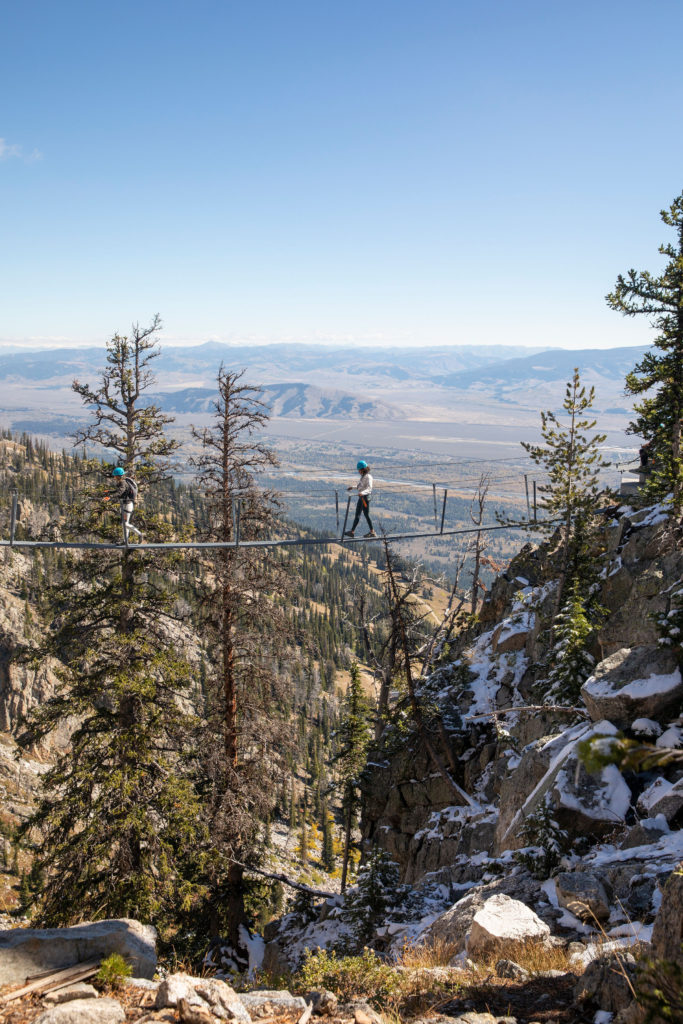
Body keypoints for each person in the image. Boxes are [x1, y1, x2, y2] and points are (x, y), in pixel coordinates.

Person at [108, 466, 142, 541]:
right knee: (125, 524)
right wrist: (109, 492)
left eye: (114, 475)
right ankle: (125, 541)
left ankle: (139, 534)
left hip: (126, 505)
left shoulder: (123, 483)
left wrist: (110, 497)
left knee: (124, 524)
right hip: (127, 505)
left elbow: (120, 492)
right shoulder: (123, 482)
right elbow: (120, 491)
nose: (114, 477)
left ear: (117, 476)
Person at [345, 460, 375, 538]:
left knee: (366, 514)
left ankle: (372, 532)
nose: (358, 471)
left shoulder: (368, 477)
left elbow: (369, 488)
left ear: (362, 469)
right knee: (357, 514)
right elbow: (360, 487)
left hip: (365, 498)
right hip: (361, 497)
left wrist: (362, 493)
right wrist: (353, 487)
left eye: (359, 470)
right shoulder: (363, 477)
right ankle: (352, 532)